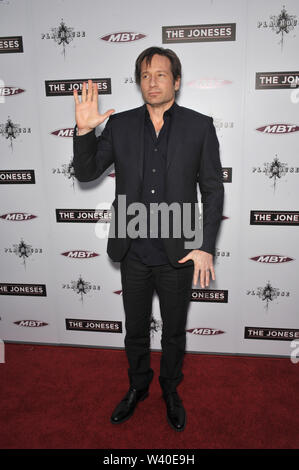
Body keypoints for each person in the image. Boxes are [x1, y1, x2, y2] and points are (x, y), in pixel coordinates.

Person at [73, 46, 224, 432]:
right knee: (135, 328)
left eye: (160, 74)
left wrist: (205, 245)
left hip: (180, 253)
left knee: (174, 331)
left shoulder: (199, 125)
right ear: (138, 82)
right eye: (144, 75)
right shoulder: (121, 125)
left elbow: (212, 190)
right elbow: (87, 171)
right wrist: (86, 130)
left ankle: (170, 390)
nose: (151, 81)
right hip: (134, 251)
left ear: (176, 81)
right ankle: (137, 387)